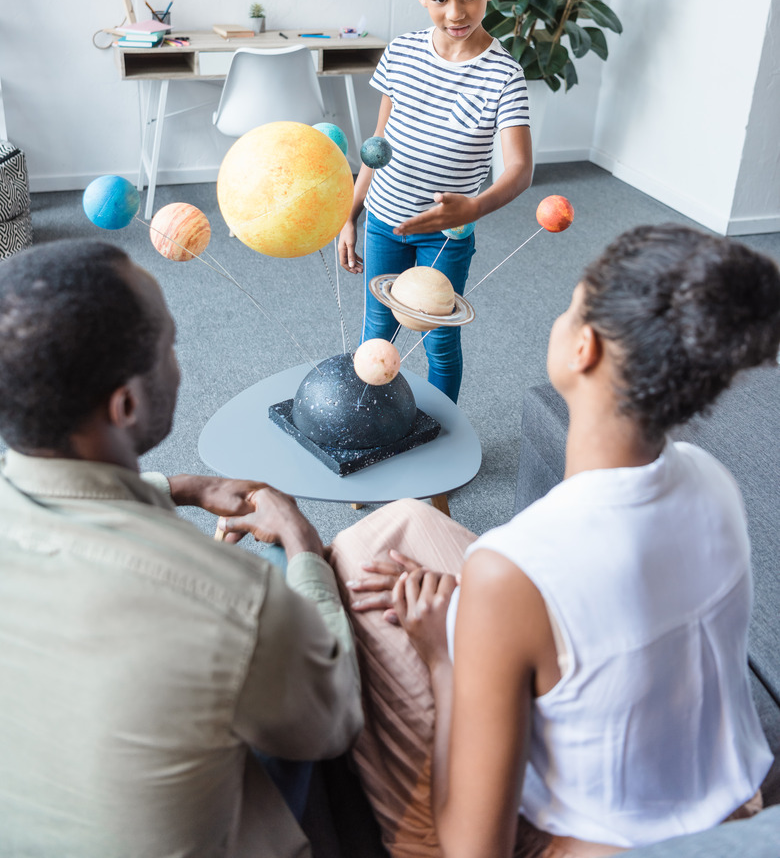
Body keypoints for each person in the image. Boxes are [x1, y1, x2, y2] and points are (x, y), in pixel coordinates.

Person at [229, 224, 780, 858]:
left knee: (355, 571)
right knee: (405, 520)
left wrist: (442, 653)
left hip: (579, 843)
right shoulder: (711, 480)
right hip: (732, 804)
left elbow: (474, 851)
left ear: (585, 348)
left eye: (570, 304)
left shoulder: (512, 570)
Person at [0, 239, 362, 858]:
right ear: (127, 403)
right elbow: (334, 723)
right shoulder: (235, 599)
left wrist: (182, 487)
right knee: (292, 582)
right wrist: (304, 544)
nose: (177, 359)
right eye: (170, 343)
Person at [338, 0, 533, 403]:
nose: (457, 13)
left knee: (437, 339)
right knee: (379, 335)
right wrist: (348, 214)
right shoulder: (400, 54)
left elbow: (518, 171)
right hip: (384, 222)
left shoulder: (504, 76)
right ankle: (371, 427)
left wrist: (473, 207)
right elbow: (378, 145)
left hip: (448, 234)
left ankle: (440, 442)